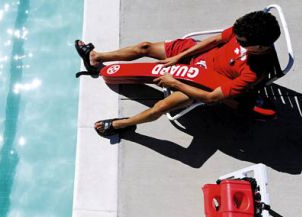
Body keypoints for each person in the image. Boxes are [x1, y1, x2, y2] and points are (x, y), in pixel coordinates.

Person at [75, 11, 281, 137]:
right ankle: (95, 58)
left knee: (161, 106)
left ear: (261, 46)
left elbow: (210, 97)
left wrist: (175, 83)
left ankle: (122, 125)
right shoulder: (247, 30)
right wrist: (179, 56)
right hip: (198, 53)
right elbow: (216, 40)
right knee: (145, 47)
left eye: (242, 42)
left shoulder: (253, 73)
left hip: (202, 82)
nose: (237, 40)